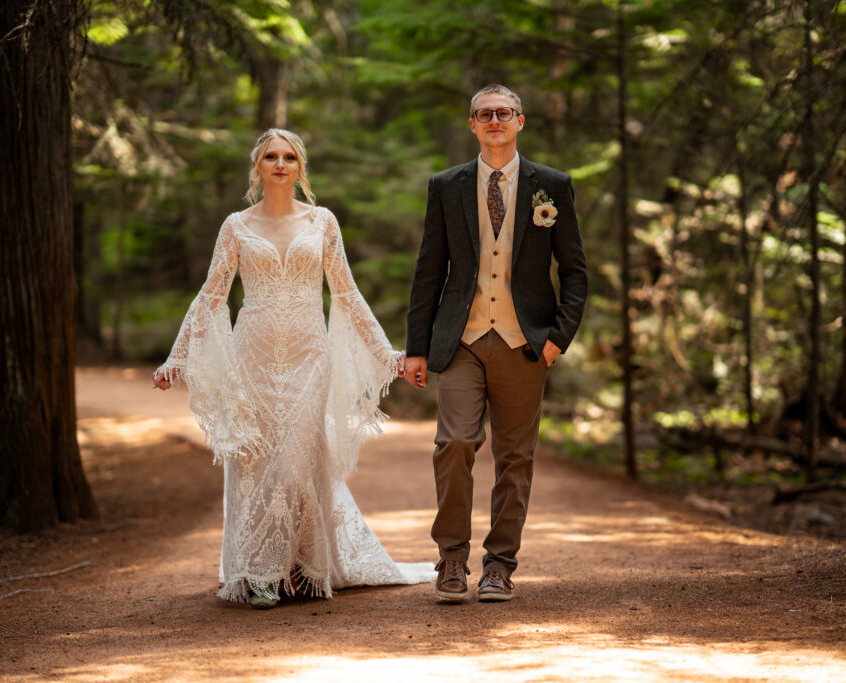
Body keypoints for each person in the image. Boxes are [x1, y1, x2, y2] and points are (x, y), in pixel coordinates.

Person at [154, 129, 433, 609]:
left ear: (300, 167)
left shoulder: (322, 221)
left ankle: (284, 569)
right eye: (270, 156)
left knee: (294, 464)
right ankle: (275, 571)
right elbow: (211, 295)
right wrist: (177, 356)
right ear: (258, 167)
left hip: (309, 357)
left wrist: (388, 356)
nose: (280, 164)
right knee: (258, 464)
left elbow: (345, 293)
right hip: (253, 357)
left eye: (289, 157)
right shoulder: (236, 225)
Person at [404, 85, 588, 602]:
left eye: (503, 113)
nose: (494, 121)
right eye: (484, 114)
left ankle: (500, 566)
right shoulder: (447, 186)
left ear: (520, 122)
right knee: (455, 443)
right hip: (460, 339)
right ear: (472, 125)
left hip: (524, 343)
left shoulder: (552, 186)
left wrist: (556, 341)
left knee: (514, 457)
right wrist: (416, 347)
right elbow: (428, 272)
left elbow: (575, 273)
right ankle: (452, 560)